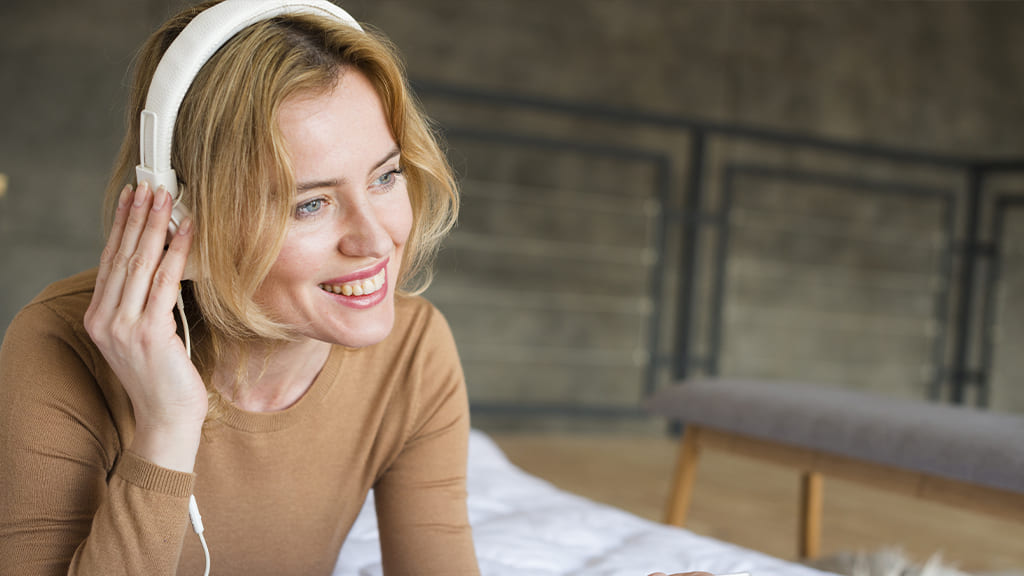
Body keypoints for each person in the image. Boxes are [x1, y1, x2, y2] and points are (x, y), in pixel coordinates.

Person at [0, 1, 717, 575]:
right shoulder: (58, 345)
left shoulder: (415, 349)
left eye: (385, 176)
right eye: (310, 204)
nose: (376, 239)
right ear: (184, 216)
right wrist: (165, 426)